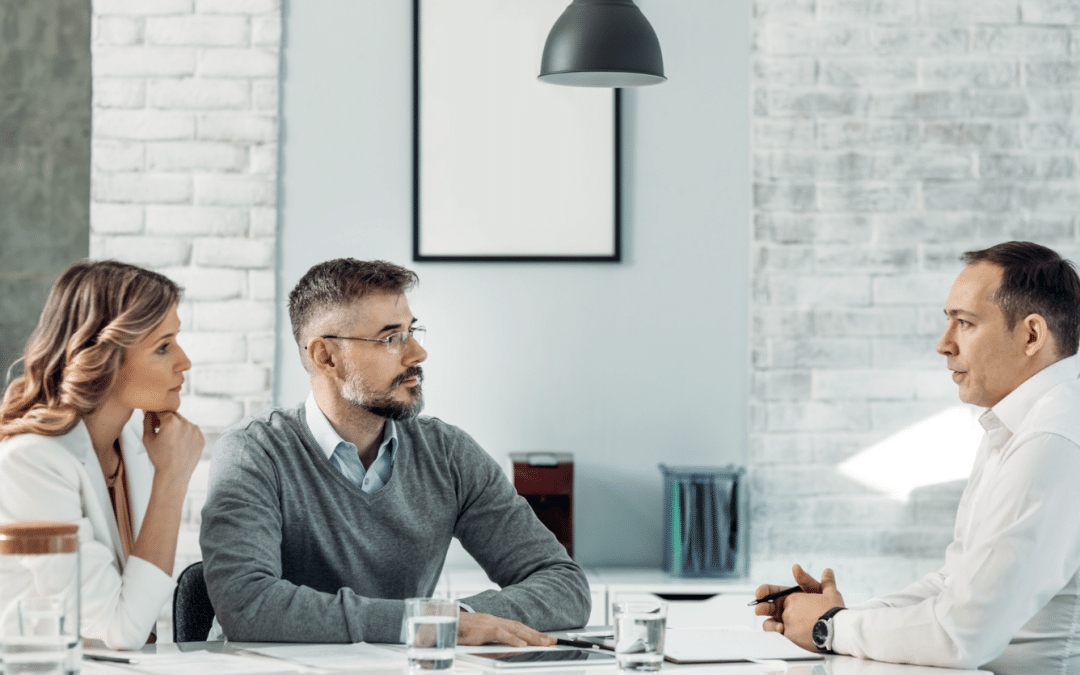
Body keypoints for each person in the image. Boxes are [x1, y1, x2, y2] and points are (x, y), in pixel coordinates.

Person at [200, 258, 591, 645]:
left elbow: (564, 584)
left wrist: (455, 620)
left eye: (412, 330)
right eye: (392, 338)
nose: (417, 353)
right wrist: (420, 624)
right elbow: (247, 605)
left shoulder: (448, 454)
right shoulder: (254, 453)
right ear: (326, 357)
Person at [754, 241, 1080, 673]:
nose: (943, 345)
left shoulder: (1053, 439)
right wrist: (836, 618)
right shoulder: (1013, 423)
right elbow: (954, 583)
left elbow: (962, 635)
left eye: (964, 323)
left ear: (1031, 335)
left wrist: (829, 629)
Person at [0, 260, 204, 650]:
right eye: (163, 347)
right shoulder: (29, 464)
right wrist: (172, 481)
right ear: (105, 358)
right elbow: (119, 629)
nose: (184, 362)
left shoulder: (133, 446)